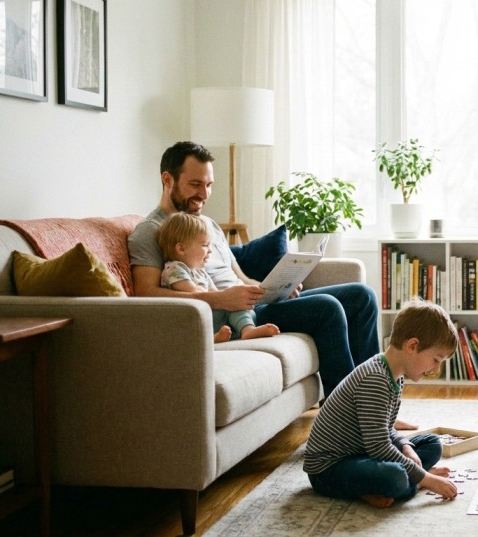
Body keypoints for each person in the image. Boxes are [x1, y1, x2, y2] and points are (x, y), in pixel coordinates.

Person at [128, 141, 381, 399]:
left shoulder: (208, 225)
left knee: (362, 296)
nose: (204, 194)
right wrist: (221, 299)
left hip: (251, 304)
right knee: (327, 307)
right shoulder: (150, 231)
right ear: (167, 179)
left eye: (209, 185)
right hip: (230, 317)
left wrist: (275, 287)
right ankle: (348, 413)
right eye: (195, 185)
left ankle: (378, 405)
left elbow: (239, 276)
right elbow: (146, 294)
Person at [303, 298, 459, 508]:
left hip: (362, 451)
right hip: (329, 469)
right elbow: (378, 445)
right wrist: (426, 480)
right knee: (395, 478)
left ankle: (397, 481)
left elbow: (385, 429)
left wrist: (405, 446)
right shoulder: (374, 379)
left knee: (432, 444)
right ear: (412, 346)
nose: (435, 370)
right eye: (436, 360)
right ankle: (406, 482)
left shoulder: (395, 375)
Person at [156, 212, 280, 343]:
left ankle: (246, 329)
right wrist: (224, 299)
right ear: (181, 248)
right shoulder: (174, 268)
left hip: (210, 314)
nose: (210, 250)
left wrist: (231, 299)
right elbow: (192, 291)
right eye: (204, 245)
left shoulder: (201, 272)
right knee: (233, 307)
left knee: (240, 307)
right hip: (192, 317)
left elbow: (217, 293)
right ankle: (223, 334)